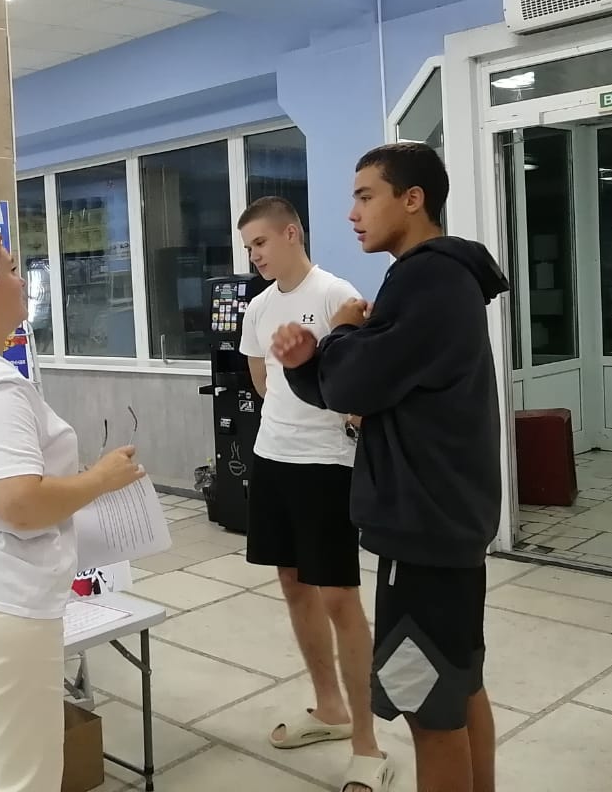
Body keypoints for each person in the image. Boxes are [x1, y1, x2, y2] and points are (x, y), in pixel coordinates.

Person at [272, 142, 508, 792]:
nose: (352, 213)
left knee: (427, 706)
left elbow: (355, 382)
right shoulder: (446, 278)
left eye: (365, 196)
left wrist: (340, 332)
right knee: (459, 684)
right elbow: (364, 383)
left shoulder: (425, 277)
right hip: (446, 522)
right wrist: (319, 361)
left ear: (413, 199)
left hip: (422, 528)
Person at [0, 228, 144, 792]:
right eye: (12, 269)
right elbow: (17, 503)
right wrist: (100, 479)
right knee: (22, 774)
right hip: (1, 598)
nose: (22, 280)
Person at [236, 196, 391, 792]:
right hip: (272, 459)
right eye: (249, 247)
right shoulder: (258, 307)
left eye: (260, 243)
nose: (254, 256)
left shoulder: (335, 295)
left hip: (326, 465)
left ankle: (367, 743)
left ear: (291, 233)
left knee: (338, 599)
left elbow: (357, 380)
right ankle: (329, 708)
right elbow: (263, 380)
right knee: (292, 584)